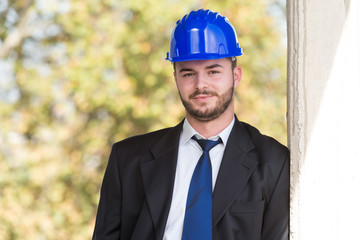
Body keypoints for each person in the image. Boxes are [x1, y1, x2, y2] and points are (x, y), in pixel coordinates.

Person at [92, 9, 289, 240]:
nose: (200, 84)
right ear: (175, 77)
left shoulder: (273, 162)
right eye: (188, 74)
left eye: (213, 71)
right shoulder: (126, 159)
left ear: (236, 76)